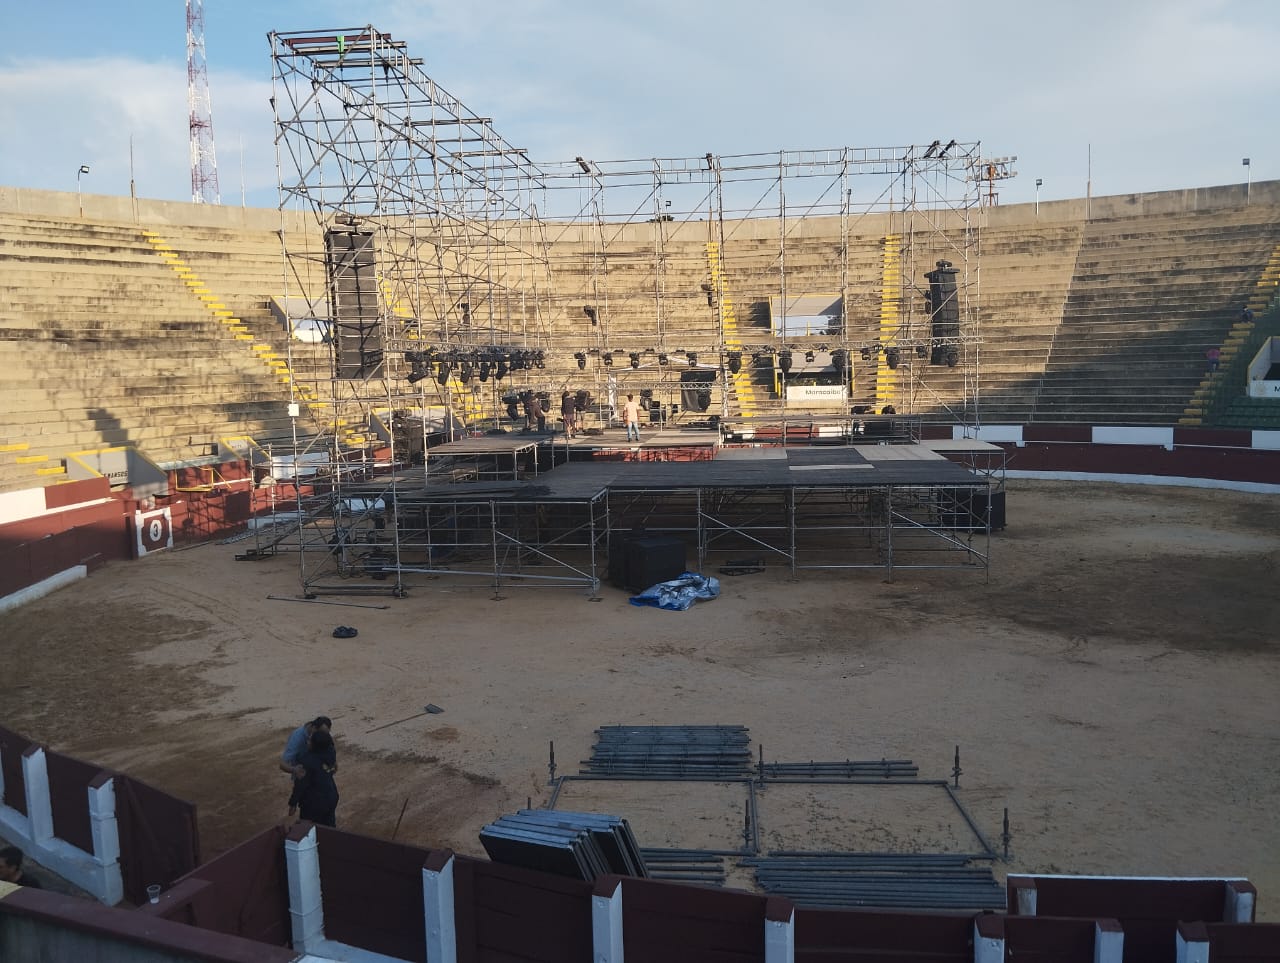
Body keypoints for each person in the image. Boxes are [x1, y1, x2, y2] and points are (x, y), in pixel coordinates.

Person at [287, 729, 340, 827]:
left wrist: (293, 803)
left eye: (310, 740)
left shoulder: (307, 762)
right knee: (330, 826)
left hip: (314, 804)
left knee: (309, 829)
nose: (307, 741)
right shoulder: (330, 753)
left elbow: (300, 785)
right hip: (331, 796)